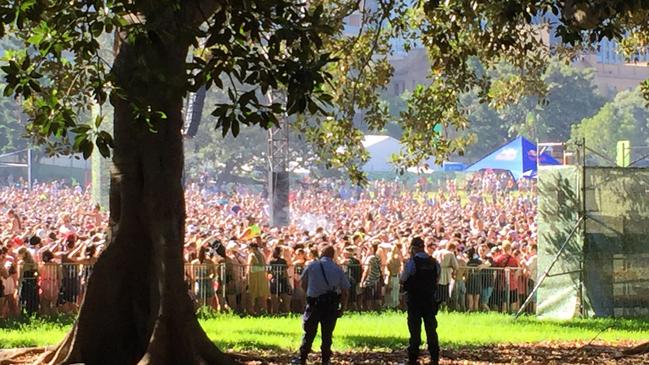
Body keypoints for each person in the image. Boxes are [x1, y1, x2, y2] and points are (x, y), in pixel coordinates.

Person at [292, 245, 350, 365]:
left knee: (309, 332)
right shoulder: (337, 269)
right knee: (327, 334)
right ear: (333, 255)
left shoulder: (312, 266)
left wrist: (308, 294)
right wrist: (342, 308)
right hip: (331, 305)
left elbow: (303, 282)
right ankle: (325, 360)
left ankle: (302, 358)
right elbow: (345, 291)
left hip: (314, 303)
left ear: (322, 253)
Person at [401, 237, 440, 365]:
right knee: (431, 329)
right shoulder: (434, 262)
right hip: (429, 300)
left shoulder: (412, 262)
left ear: (413, 248)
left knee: (415, 330)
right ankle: (434, 358)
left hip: (415, 301)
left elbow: (403, 278)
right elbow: (436, 279)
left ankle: (413, 358)